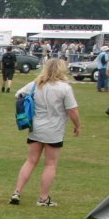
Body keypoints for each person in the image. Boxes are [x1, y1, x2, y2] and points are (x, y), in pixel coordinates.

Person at [9, 59, 81, 207]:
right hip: (54, 129)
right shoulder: (64, 88)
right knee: (50, 164)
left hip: (35, 127)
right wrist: (77, 125)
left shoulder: (36, 84)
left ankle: (17, 191)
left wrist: (30, 102)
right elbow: (72, 109)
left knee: (30, 161)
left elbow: (18, 94)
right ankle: (43, 198)